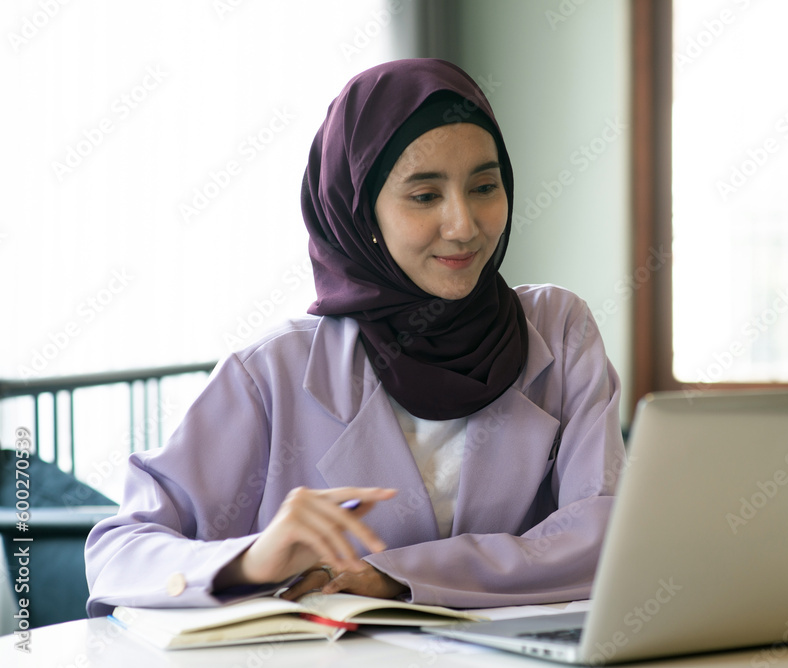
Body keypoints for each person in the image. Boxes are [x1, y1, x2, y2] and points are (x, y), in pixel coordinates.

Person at [85, 58, 626, 617]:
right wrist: (248, 561)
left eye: (484, 186)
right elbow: (118, 554)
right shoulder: (273, 371)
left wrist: (396, 576)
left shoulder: (559, 330)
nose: (464, 224)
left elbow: (607, 532)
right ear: (360, 211)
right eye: (424, 196)